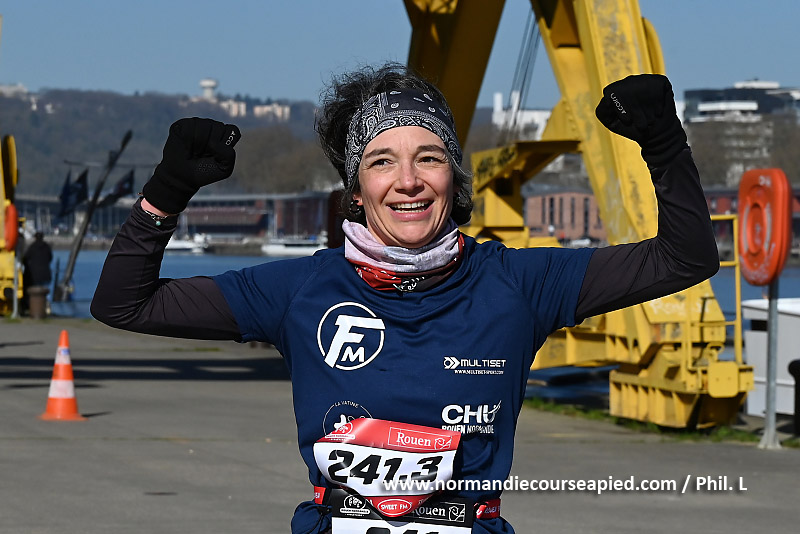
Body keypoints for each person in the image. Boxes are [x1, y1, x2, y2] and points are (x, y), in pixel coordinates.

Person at [91, 63, 718, 533]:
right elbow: (123, 303)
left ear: (454, 177)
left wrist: (664, 145)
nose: (409, 180)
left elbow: (684, 257)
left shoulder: (519, 285)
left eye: (430, 157)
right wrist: (168, 189)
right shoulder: (301, 290)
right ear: (356, 191)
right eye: (382, 161)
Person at [22, 231, 53, 312]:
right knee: (46, 292)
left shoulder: (32, 247)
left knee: (34, 293)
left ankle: (35, 309)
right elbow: (50, 258)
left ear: (35, 237)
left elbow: (25, 258)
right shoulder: (46, 247)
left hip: (34, 274)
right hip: (46, 274)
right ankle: (47, 307)